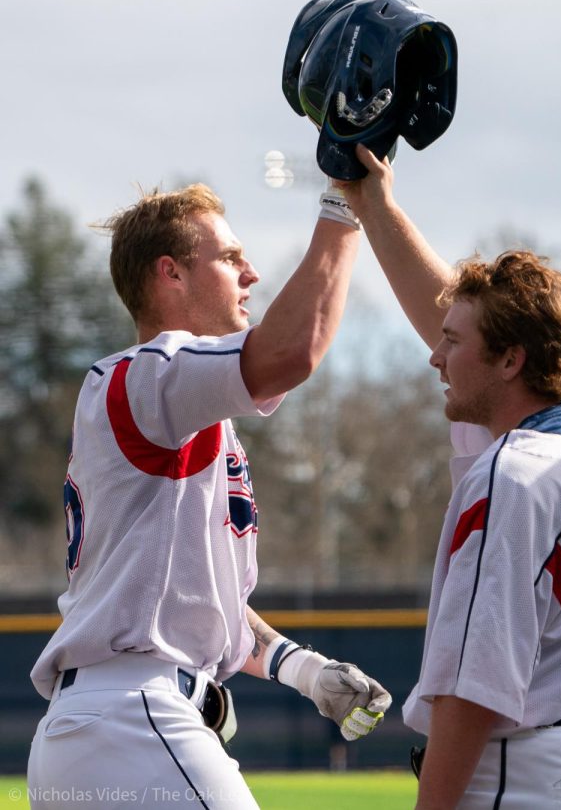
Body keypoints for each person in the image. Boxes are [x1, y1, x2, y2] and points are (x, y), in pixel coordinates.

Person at [27, 182, 391, 809]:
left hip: (102, 723)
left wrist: (303, 669)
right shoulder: (147, 375)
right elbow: (292, 352)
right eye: (229, 258)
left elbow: (203, 603)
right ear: (169, 274)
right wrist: (346, 204)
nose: (250, 273)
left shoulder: (174, 403)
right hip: (134, 719)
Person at [340, 145, 561, 810]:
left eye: (452, 344)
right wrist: (376, 208)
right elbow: (457, 327)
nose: (435, 354)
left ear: (511, 360)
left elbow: (471, 685)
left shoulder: (510, 476)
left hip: (525, 778)